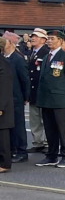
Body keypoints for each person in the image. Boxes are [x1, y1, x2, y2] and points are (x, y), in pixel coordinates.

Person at [35, 31, 65, 168]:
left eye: (52, 39)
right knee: (50, 129)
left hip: (60, 99)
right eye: (48, 39)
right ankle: (52, 155)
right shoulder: (46, 56)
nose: (49, 41)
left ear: (60, 41)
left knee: (63, 129)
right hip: (46, 99)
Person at [3, 33, 29, 164]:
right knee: (8, 126)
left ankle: (21, 151)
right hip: (6, 98)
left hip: (16, 97)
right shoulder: (4, 57)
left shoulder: (18, 59)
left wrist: (25, 97)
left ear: (10, 43)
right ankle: (12, 149)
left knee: (18, 125)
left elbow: (25, 79)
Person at [26, 28, 50, 154]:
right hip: (33, 91)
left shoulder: (46, 52)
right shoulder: (32, 52)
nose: (32, 38)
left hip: (42, 91)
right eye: (32, 36)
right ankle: (37, 142)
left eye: (36, 36)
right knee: (34, 119)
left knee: (44, 118)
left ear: (43, 39)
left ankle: (46, 142)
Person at [0, 38, 15, 173]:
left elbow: (5, 86)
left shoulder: (3, 62)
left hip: (2, 105)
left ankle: (5, 163)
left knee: (2, 134)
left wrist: (1, 106)